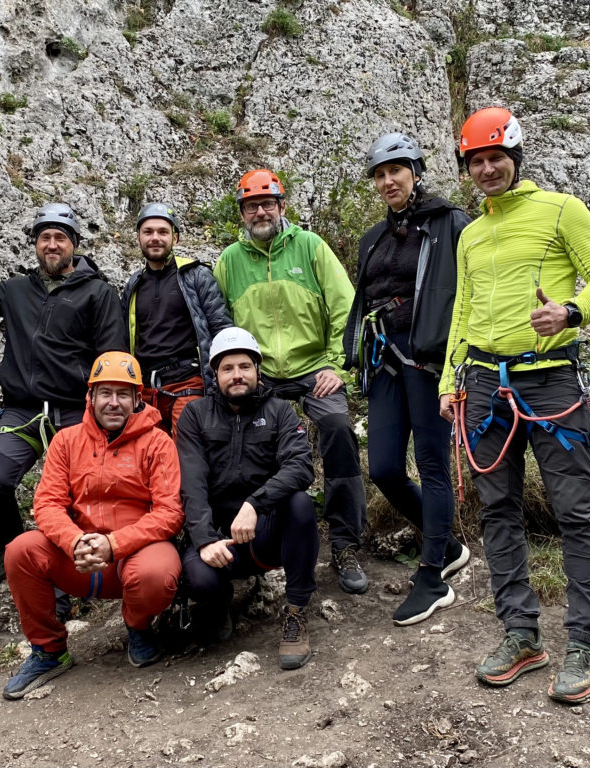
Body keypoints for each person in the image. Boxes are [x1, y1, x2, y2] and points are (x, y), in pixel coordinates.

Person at [438, 107, 590, 703]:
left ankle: (586, 641)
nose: (487, 169)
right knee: (497, 512)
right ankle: (521, 634)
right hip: (485, 384)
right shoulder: (470, 232)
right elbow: (462, 312)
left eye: (496, 158)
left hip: (552, 383)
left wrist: (569, 313)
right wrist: (448, 383)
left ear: (516, 158)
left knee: (573, 511)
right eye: (476, 161)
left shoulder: (562, 209)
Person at [0, 204, 126, 595]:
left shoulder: (98, 293)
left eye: (60, 238)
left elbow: (112, 354)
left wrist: (103, 407)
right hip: (22, 407)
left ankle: (72, 566)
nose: (52, 245)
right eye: (44, 238)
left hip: (73, 408)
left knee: (78, 491)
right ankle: (9, 548)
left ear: (74, 245)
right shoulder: (16, 290)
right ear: (34, 244)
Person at [213, 170, 368, 595]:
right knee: (245, 442)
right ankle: (259, 540)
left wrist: (337, 366)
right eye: (251, 206)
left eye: (267, 203)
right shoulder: (229, 261)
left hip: (314, 366)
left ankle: (344, 543)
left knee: (337, 428)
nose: (259, 211)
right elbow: (221, 325)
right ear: (242, 213)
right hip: (260, 375)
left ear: (283, 206)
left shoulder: (310, 247)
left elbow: (346, 309)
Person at [342, 133, 472, 626]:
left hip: (431, 363)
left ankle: (432, 574)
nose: (388, 180)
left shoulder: (450, 223)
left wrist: (461, 361)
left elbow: (469, 289)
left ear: (416, 171)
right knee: (385, 470)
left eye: (396, 170)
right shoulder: (372, 238)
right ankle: (449, 545)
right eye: (379, 173)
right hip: (384, 363)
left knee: (433, 464)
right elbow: (365, 297)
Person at [1, 351, 184, 699]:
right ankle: (49, 651)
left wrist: (114, 544)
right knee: (20, 551)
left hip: (134, 556)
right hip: (81, 557)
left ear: (137, 399)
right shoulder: (66, 441)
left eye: (123, 394)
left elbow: (169, 512)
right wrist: (75, 541)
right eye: (105, 393)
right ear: (91, 397)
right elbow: (47, 503)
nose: (113, 403)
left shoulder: (158, 442)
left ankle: (138, 626)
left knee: (157, 573)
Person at [177, 327, 318, 670]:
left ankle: (296, 614)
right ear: (215, 374)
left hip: (265, 531)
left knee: (300, 503)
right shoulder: (195, 415)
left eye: (244, 366)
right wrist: (205, 540)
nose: (237, 375)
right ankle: (219, 600)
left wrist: (255, 504)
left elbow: (300, 466)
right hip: (220, 536)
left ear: (257, 369)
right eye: (227, 368)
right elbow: (191, 484)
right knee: (199, 578)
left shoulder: (279, 411)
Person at [120, 202, 232, 435]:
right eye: (148, 232)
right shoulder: (134, 284)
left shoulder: (195, 275)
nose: (155, 238)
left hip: (188, 383)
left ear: (175, 238)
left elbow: (221, 327)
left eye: (163, 232)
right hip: (146, 389)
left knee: (185, 452)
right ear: (138, 238)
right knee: (147, 459)